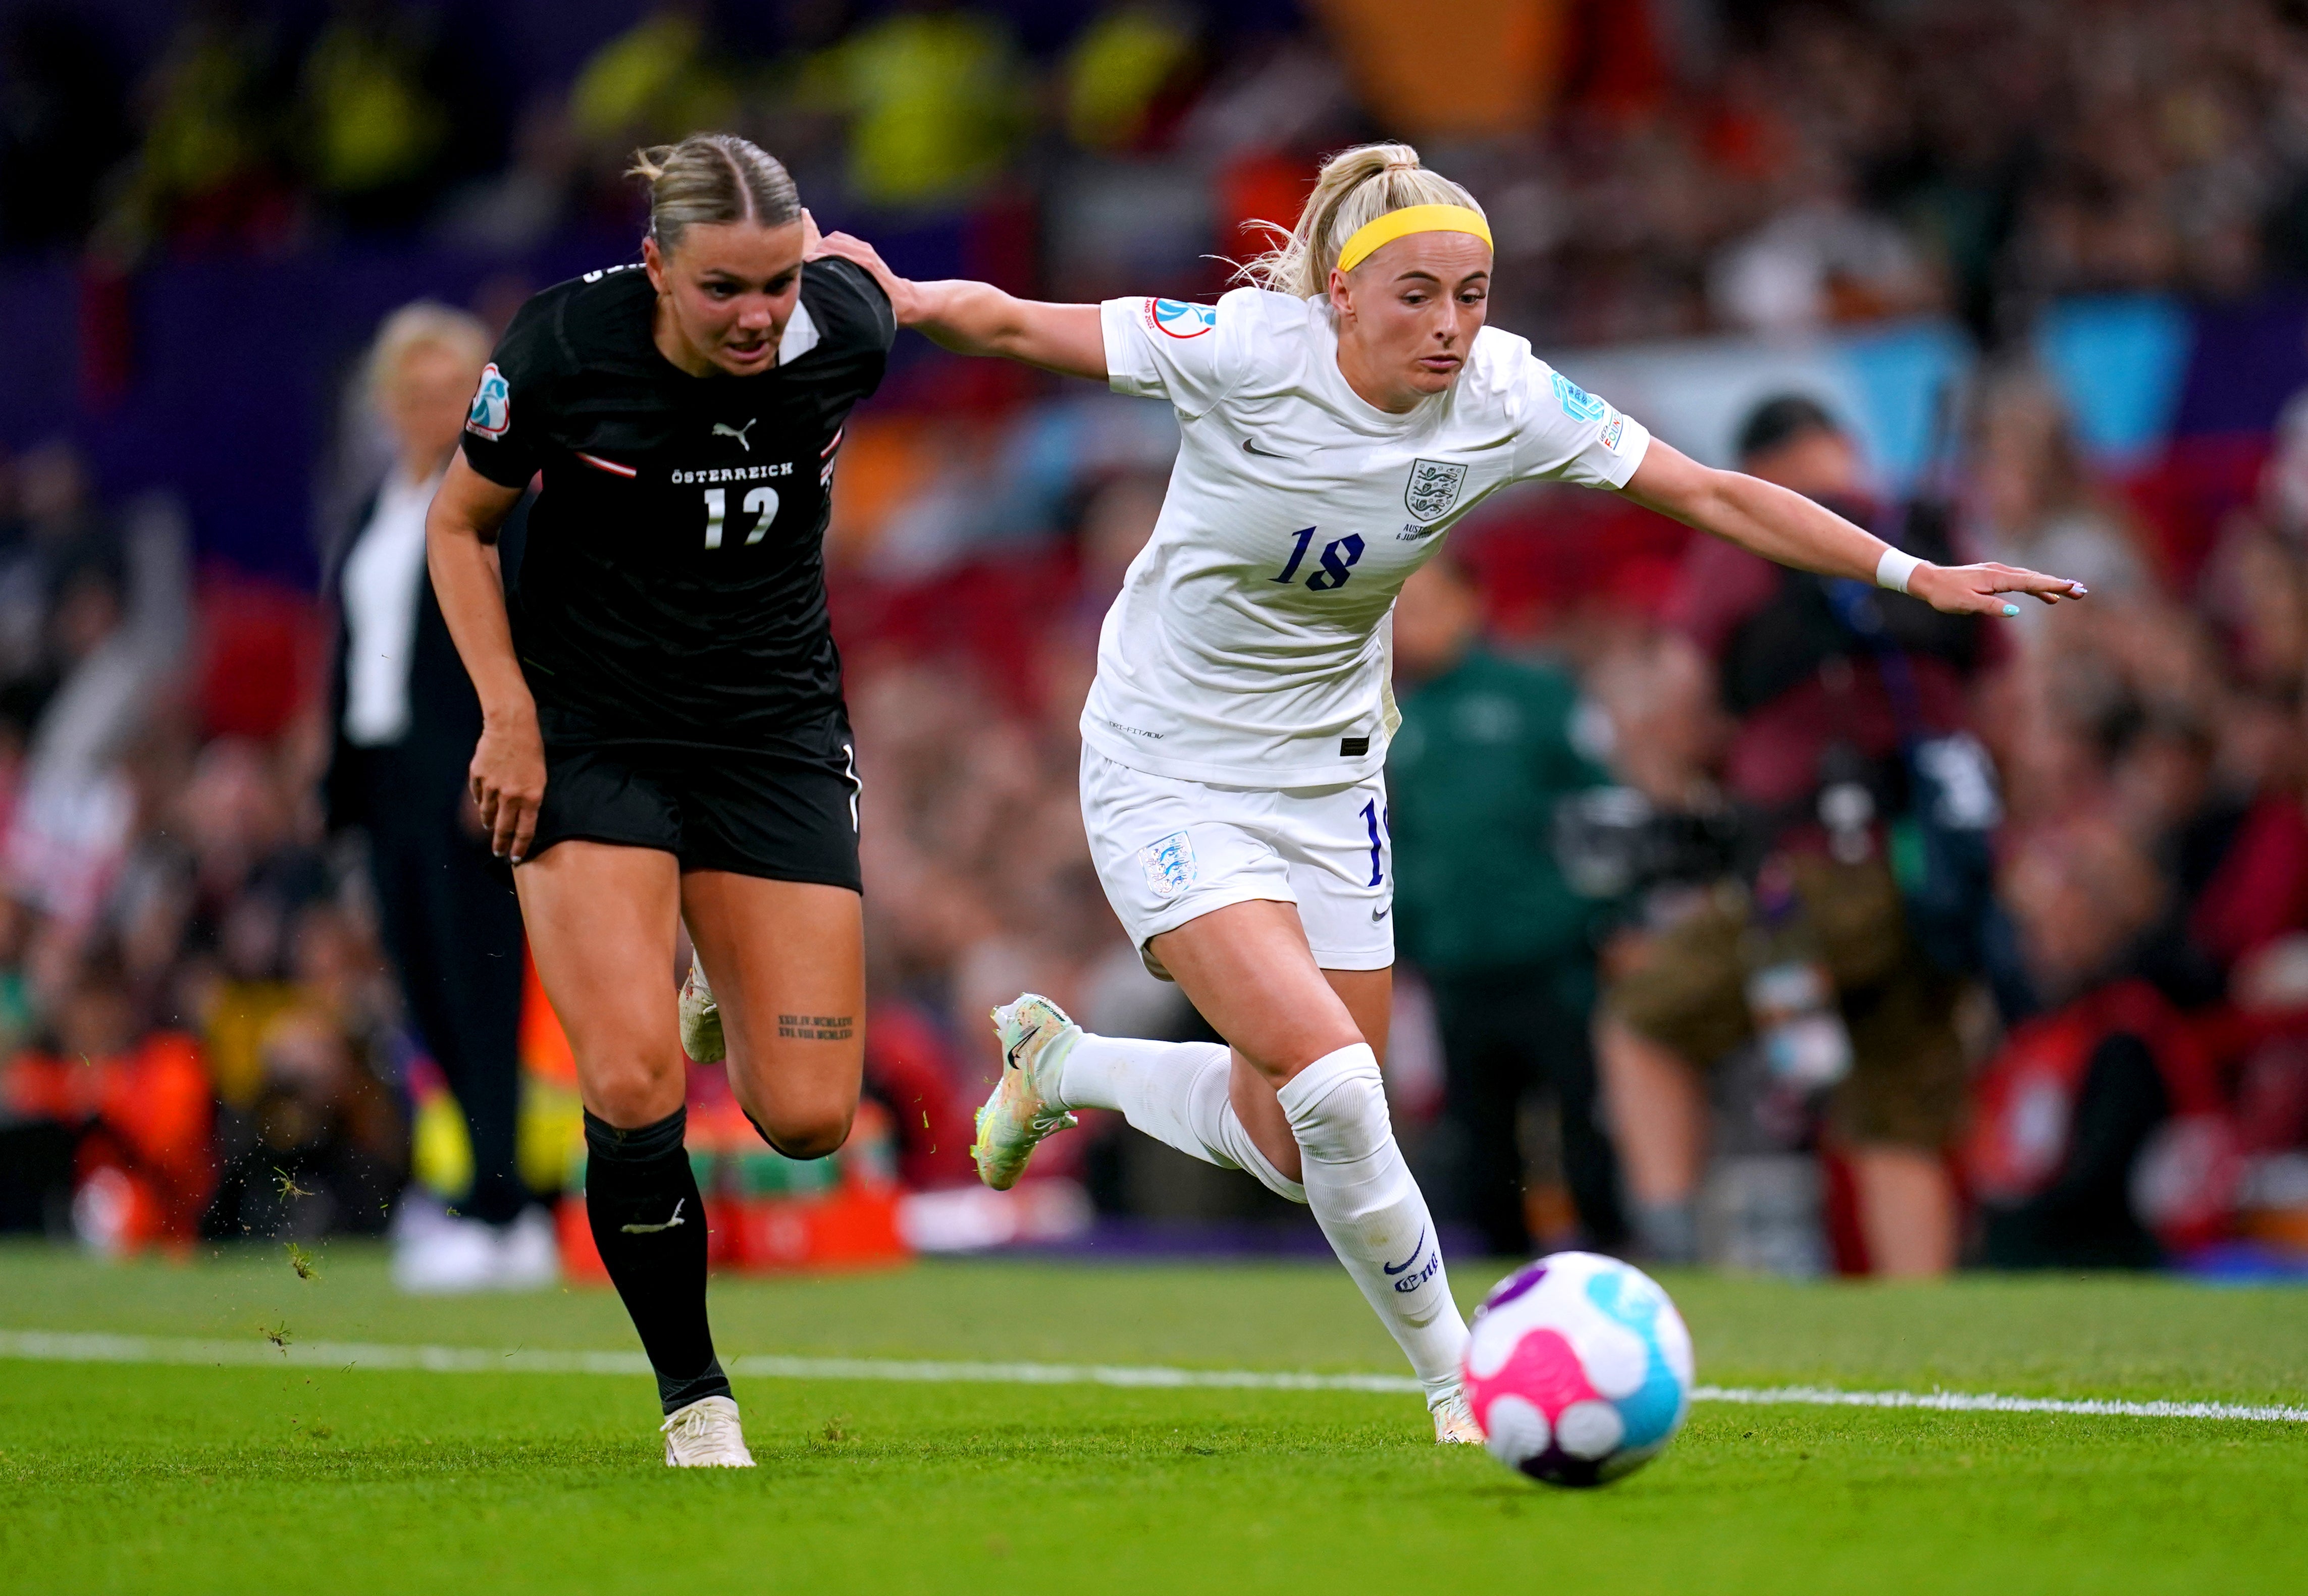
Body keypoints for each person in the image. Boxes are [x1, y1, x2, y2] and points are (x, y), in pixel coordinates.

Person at [813, 140, 2086, 1440]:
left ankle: (1064, 1063)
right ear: (1342, 297)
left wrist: (1911, 575)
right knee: (1342, 1090)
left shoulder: (1503, 393)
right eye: (1416, 294)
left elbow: (1704, 491)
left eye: (1471, 294)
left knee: (1301, 1133)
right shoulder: (1250, 349)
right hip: (1168, 769)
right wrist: (904, 298)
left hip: (1329, 780)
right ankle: (1464, 1379)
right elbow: (1021, 324)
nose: (1448, 325)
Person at [426, 132, 894, 1467]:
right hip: (591, 735)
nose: (756, 315)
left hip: (771, 732)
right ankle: (696, 1395)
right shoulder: (564, 347)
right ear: (655, 269)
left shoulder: (847, 328)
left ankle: (712, 982)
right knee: (631, 1077)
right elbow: (456, 525)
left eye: (777, 286)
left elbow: (879, 294)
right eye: (722, 290)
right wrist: (507, 716)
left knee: (806, 1117)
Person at [1600, 395, 2004, 1276]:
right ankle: (1932, 1355)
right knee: (1897, 1118)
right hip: (1936, 877)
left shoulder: (1746, 541)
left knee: (1644, 1020)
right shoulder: (1930, 528)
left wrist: (1711, 781)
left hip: (1811, 877)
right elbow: (2005, 707)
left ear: (1760, 468)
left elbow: (1675, 713)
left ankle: (1673, 1268)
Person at [325, 302, 550, 1293]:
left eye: (444, 392)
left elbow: (534, 638)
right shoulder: (379, 505)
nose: (425, 410)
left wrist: (502, 751)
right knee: (427, 996)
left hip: (468, 782)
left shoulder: (502, 505)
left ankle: (506, 1211)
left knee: (482, 993)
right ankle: (478, 1196)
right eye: (409, 394)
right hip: (386, 785)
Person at [1386, 552, 1624, 1257]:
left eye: (1425, 604)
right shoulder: (1394, 713)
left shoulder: (1535, 694)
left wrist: (1613, 913)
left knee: (1581, 1119)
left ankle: (1606, 1258)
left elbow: (1601, 804)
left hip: (1553, 955)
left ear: (1471, 604)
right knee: (1480, 1137)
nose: (1408, 624)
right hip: (1455, 964)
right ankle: (1501, 1279)